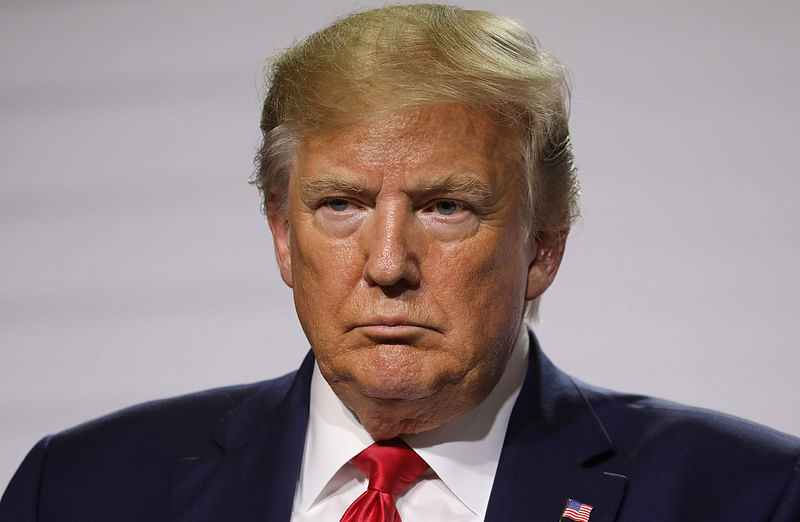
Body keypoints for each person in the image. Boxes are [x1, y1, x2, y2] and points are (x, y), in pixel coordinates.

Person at [1, 4, 798, 521]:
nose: (387, 265)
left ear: (544, 246)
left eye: (445, 207)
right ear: (283, 234)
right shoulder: (74, 490)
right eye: (339, 205)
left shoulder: (747, 496)